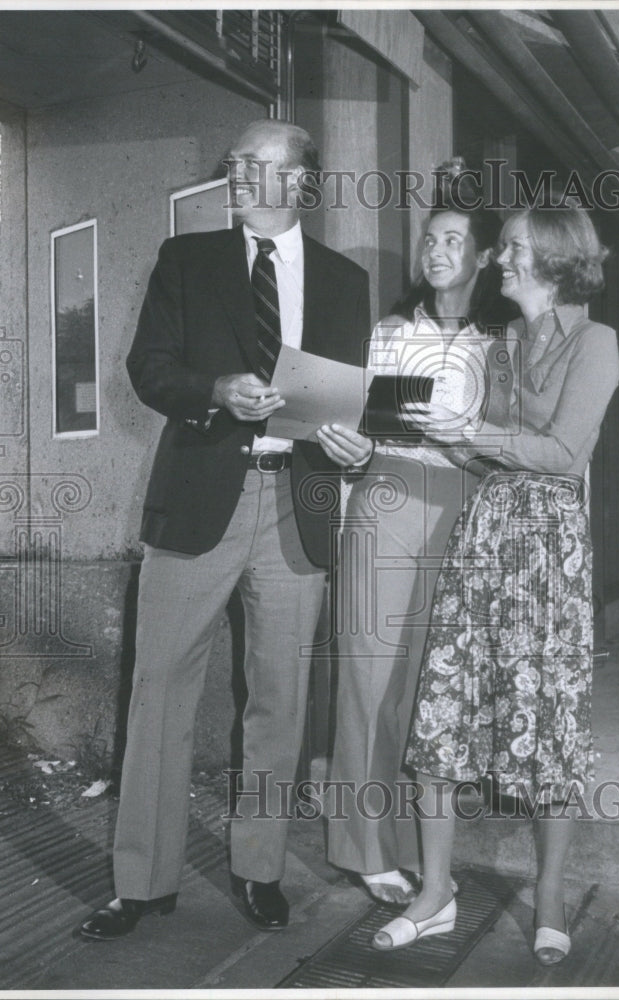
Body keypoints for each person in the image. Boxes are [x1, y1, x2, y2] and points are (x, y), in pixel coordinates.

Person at [80, 118, 372, 939]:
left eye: (256, 162)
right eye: (235, 161)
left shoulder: (348, 282)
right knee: (158, 691)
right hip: (201, 498)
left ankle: (260, 871)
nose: (237, 172)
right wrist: (216, 389)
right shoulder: (186, 260)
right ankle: (140, 882)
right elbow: (148, 369)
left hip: (300, 507)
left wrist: (356, 446)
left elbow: (351, 399)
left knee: (278, 705)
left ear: (302, 181)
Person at [371, 205, 619, 962]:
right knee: (443, 707)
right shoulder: (504, 340)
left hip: (549, 550)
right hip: (485, 529)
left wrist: (468, 433)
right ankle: (435, 892)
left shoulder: (597, 342)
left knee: (547, 721)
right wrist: (428, 432)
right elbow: (493, 458)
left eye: (510, 249)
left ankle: (548, 895)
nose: (499, 260)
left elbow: (564, 452)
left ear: (550, 257)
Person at [327, 203, 516, 905]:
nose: (436, 251)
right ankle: (364, 849)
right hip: (386, 493)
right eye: (429, 239)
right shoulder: (388, 332)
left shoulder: (501, 341)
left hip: (463, 503)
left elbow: (515, 445)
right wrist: (351, 453)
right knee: (366, 676)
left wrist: (467, 437)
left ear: (486, 256)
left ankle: (418, 852)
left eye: (453, 240)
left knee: (428, 690)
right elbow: (359, 424)